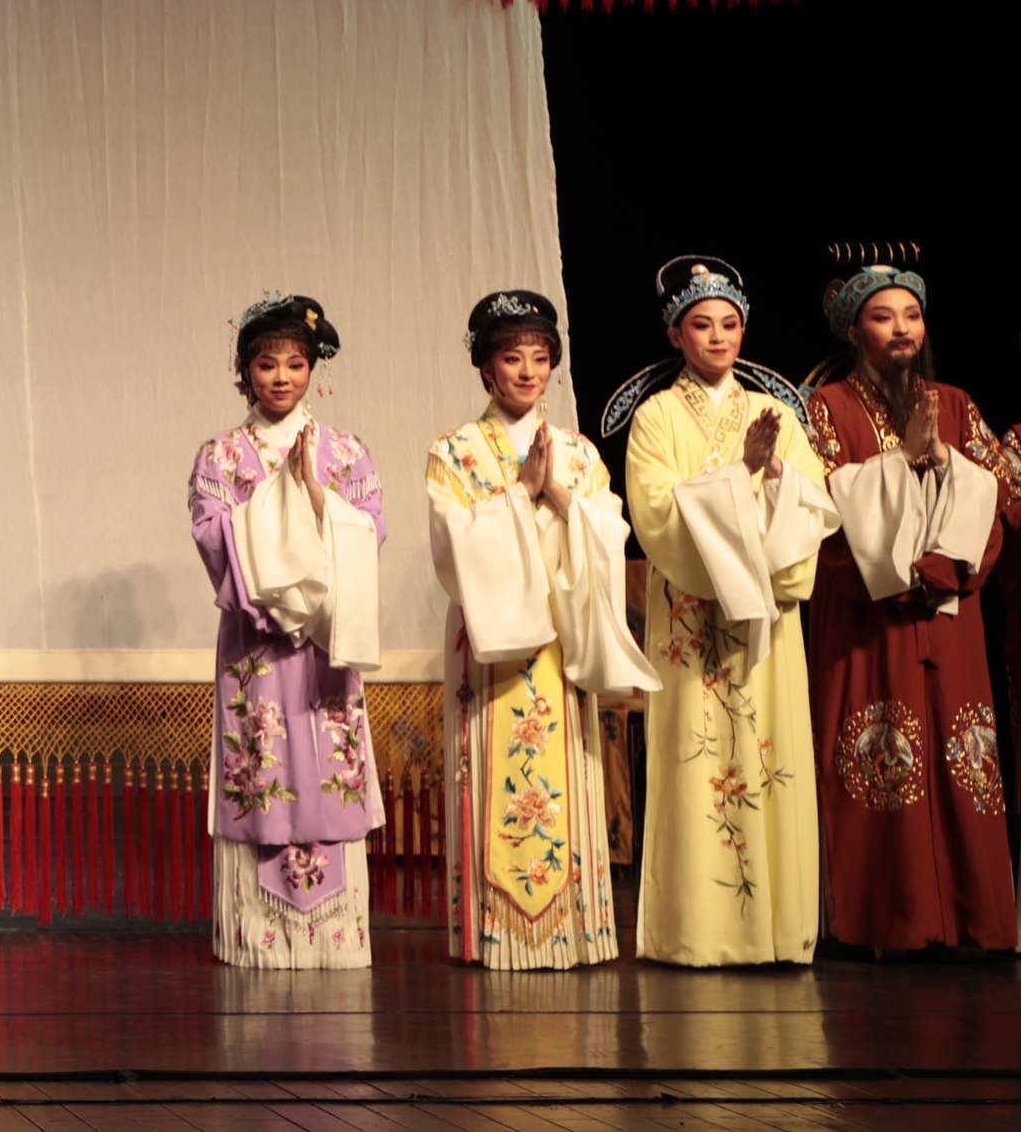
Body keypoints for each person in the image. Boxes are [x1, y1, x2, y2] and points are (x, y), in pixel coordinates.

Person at [608, 255, 838, 966]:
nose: (717, 337)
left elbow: (813, 504)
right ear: (675, 334)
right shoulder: (655, 417)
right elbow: (656, 513)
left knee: (769, 758)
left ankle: (777, 932)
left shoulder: (778, 414)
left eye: (729, 324)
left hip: (764, 620)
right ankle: (698, 933)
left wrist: (774, 471)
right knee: (697, 758)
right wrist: (741, 474)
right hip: (691, 614)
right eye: (701, 325)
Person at [423, 290, 657, 969]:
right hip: (491, 655)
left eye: (539, 357)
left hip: (558, 644)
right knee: (490, 773)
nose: (527, 371)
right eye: (511, 357)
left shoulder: (579, 455)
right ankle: (494, 929)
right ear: (485, 367)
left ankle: (570, 928)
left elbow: (609, 534)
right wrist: (519, 494)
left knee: (564, 780)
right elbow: (453, 545)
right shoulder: (455, 451)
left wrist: (557, 494)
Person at [801, 261, 1016, 953]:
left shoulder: (956, 402)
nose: (902, 330)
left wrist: (948, 467)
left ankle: (973, 920)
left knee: (962, 755)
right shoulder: (827, 407)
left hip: (949, 613)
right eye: (883, 316)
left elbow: (996, 497)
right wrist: (902, 464)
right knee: (882, 751)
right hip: (872, 618)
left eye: (912, 316)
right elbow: (819, 506)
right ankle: (888, 922)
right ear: (855, 331)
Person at [187, 294, 387, 968]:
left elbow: (369, 536)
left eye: (295, 363)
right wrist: (284, 499)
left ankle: (335, 937)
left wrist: (316, 495)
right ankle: (260, 937)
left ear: (313, 368)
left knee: (329, 763)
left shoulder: (346, 452)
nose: (281, 377)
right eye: (267, 364)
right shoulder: (220, 456)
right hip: (259, 649)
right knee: (263, 763)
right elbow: (216, 538)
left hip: (325, 646)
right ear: (244, 370)